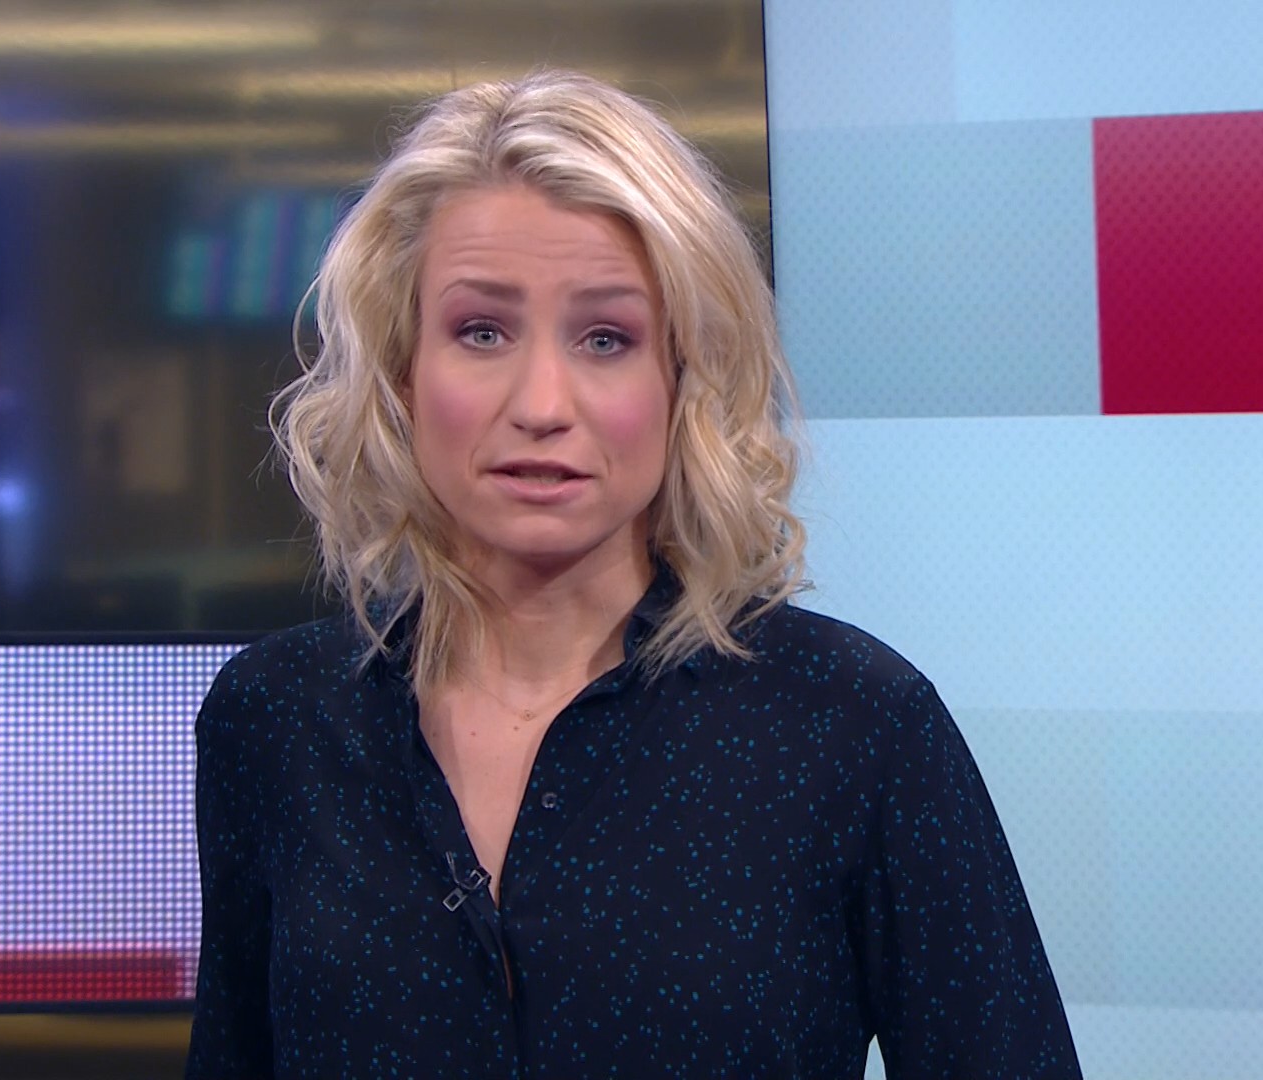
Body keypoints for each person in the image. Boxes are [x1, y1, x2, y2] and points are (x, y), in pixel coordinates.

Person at [185, 68, 1081, 1078]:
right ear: (403, 371)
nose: (541, 404)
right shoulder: (275, 722)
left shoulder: (857, 726)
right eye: (482, 331)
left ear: (683, 378)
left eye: (606, 338)